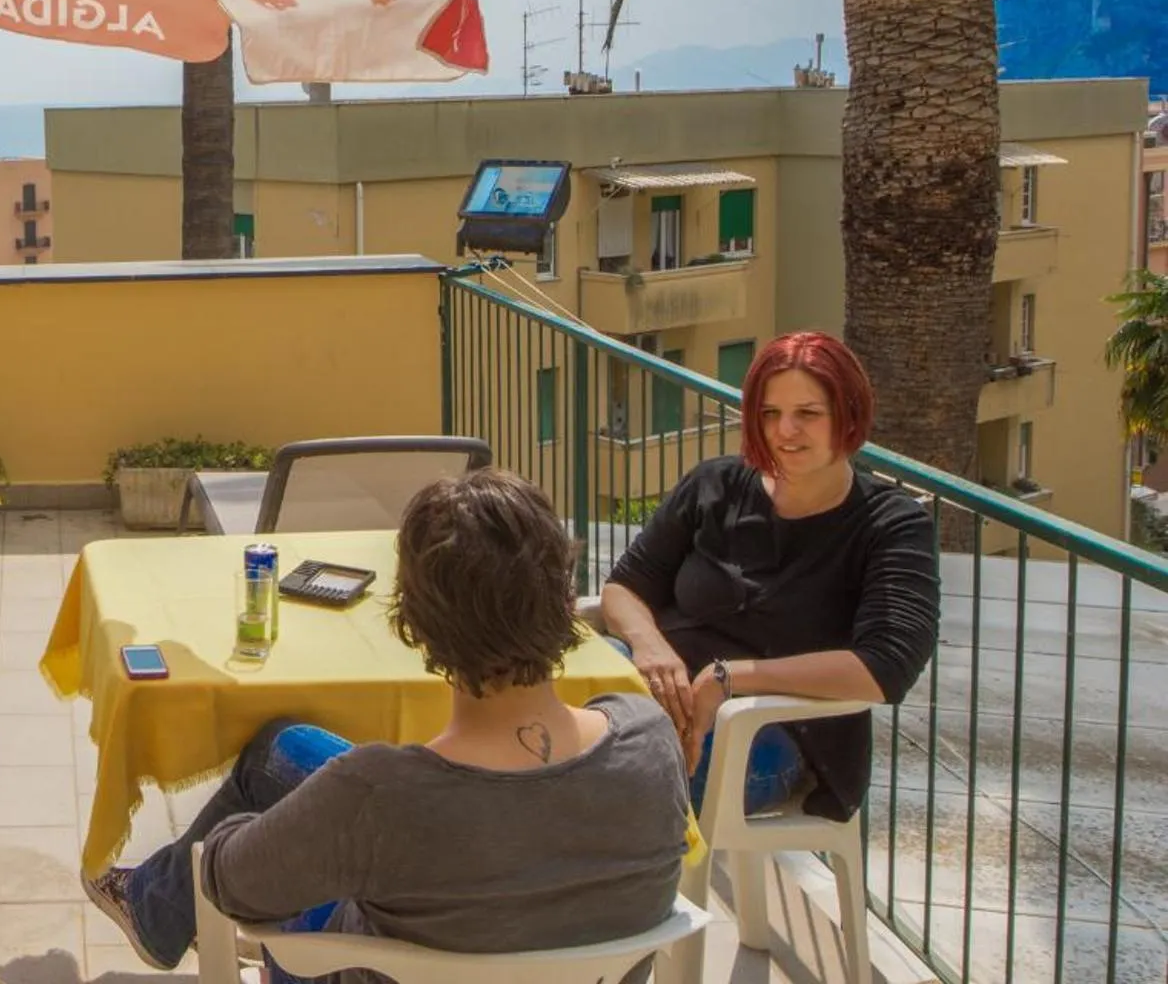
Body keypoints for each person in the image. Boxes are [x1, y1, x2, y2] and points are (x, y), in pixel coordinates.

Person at [85, 471, 689, 979]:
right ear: (564, 602)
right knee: (282, 748)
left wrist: (265, 831)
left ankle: (153, 907)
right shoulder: (649, 738)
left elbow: (226, 881)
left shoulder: (376, 796)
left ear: (413, 628)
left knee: (293, 841)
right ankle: (151, 905)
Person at [601, 330, 940, 822]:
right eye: (770, 413)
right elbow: (625, 587)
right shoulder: (714, 485)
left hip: (772, 731)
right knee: (538, 722)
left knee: (602, 779)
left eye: (807, 413)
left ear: (848, 414)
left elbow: (884, 670)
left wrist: (727, 679)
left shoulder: (891, 525)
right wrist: (649, 646)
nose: (785, 432)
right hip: (659, 698)